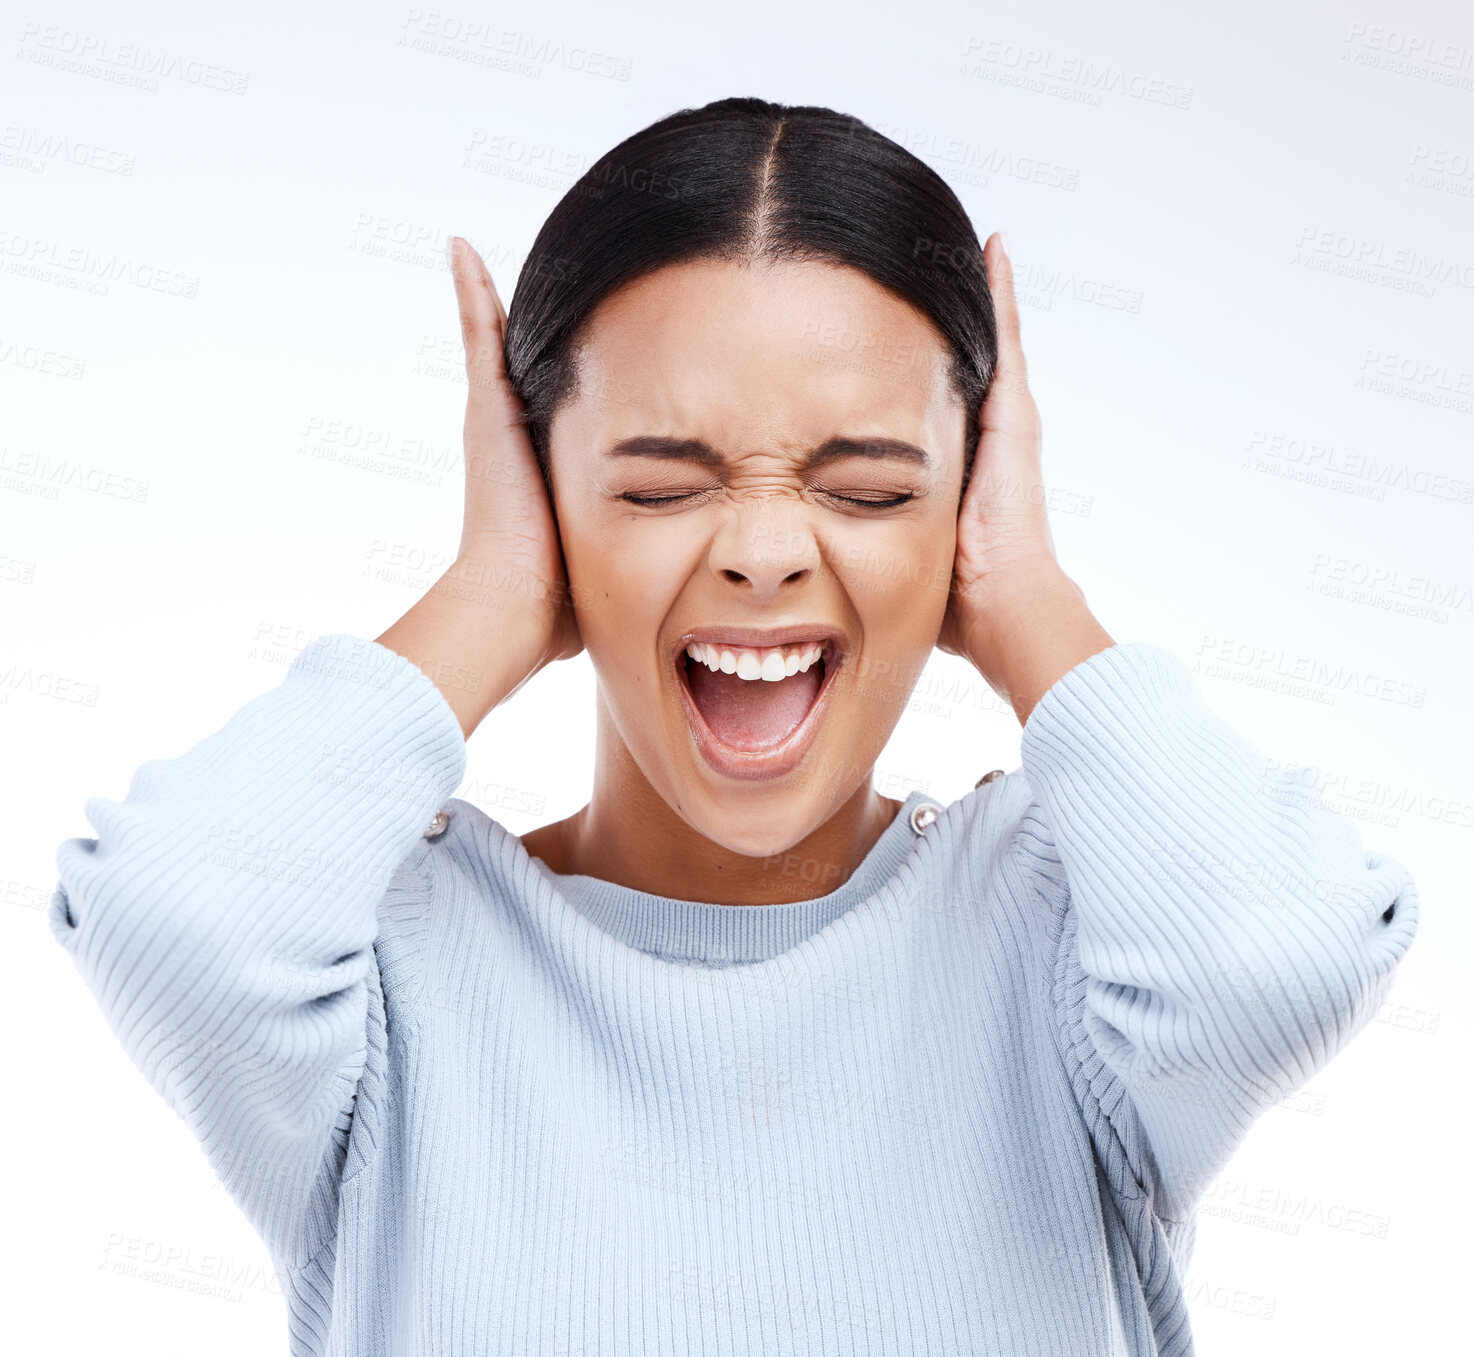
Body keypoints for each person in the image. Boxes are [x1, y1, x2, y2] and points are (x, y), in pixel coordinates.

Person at [48, 97, 1418, 1356]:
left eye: (870, 488)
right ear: (537, 491)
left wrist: (1030, 601)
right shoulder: (391, 971)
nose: (763, 549)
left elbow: (1284, 954)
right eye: (656, 487)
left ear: (967, 510)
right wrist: (488, 596)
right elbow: (167, 913)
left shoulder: (1068, 941)